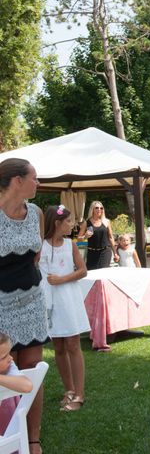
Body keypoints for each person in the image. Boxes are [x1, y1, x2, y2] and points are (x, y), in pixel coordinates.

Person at [0, 158, 46, 453]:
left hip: (31, 300)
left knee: (32, 367)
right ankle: (6, 437)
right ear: (17, 181)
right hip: (0, 302)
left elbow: (36, 256)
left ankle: (32, 439)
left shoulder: (38, 213)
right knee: (4, 368)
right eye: (34, 178)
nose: (37, 183)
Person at [39, 205, 89, 412]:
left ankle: (80, 393)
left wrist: (62, 279)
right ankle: (68, 389)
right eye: (68, 221)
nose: (72, 224)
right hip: (49, 301)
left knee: (73, 344)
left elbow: (83, 271)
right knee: (58, 346)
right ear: (57, 223)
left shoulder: (70, 245)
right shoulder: (40, 246)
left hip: (68, 300)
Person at [0, 331, 34, 435]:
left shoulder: (9, 367)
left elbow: (27, 386)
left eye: (9, 353)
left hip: (8, 433)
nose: (11, 358)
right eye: (4, 357)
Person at [78, 200, 119, 269]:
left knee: (103, 275)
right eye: (97, 208)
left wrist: (115, 253)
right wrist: (85, 236)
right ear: (92, 209)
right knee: (92, 274)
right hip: (92, 252)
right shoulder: (86, 223)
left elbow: (111, 237)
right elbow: (79, 239)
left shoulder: (106, 221)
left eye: (101, 208)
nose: (99, 209)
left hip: (105, 251)